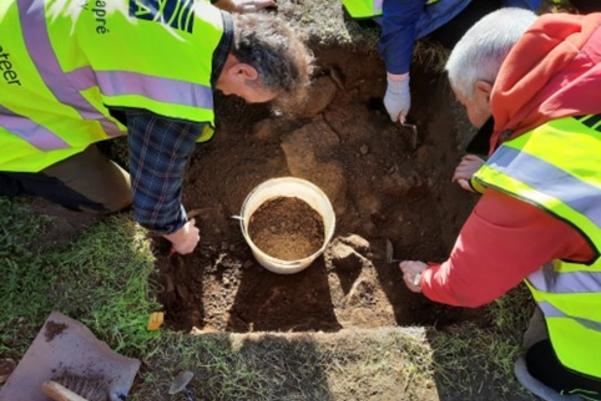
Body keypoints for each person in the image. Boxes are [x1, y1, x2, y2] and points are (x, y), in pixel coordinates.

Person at [0, 0, 313, 255]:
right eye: (249, 96)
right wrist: (180, 234)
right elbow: (152, 208)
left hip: (19, 19)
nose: (237, 99)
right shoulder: (175, 100)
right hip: (13, 111)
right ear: (243, 70)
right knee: (117, 194)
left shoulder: (203, 13)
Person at [399, 8, 601, 400]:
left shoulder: (533, 182)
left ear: (485, 92)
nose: (466, 114)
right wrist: (497, 171)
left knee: (540, 366)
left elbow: (466, 285)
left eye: (462, 104)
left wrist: (424, 278)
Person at [341, 0, 542, 124]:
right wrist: (397, 85)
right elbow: (400, 21)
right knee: (475, 33)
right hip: (385, 8)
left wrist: (516, 32)